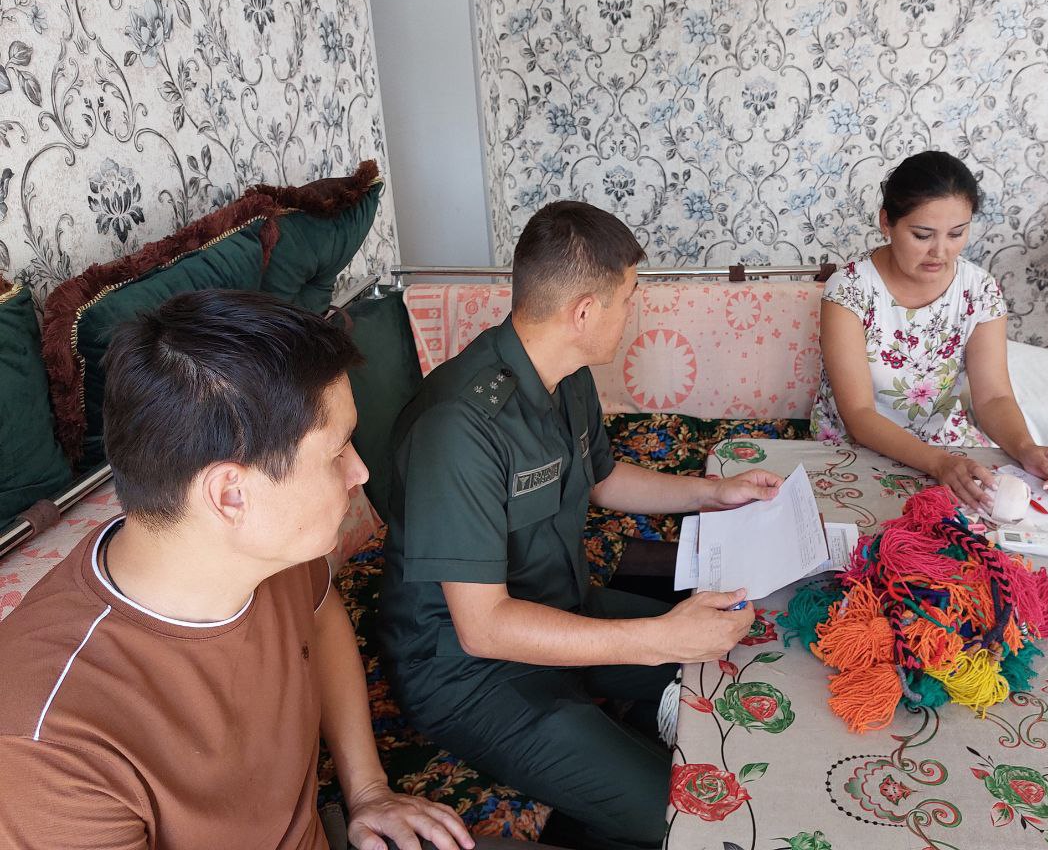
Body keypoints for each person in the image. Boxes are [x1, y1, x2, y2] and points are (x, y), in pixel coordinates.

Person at [0, 290, 473, 850]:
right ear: (231, 495)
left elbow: (320, 613)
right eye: (338, 452)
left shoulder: (271, 551)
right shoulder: (50, 749)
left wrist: (368, 789)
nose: (360, 472)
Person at [379, 200, 782, 849]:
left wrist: (714, 493)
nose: (632, 313)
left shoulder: (566, 377)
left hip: (561, 606)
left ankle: (647, 714)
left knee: (743, 658)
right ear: (585, 312)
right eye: (628, 300)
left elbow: (602, 479)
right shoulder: (458, 427)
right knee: (680, 811)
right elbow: (483, 627)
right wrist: (658, 639)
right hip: (469, 674)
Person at [811, 150, 1048, 511]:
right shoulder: (849, 290)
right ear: (886, 222)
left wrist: (1027, 448)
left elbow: (993, 398)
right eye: (922, 235)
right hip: (855, 448)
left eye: (956, 233)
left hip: (944, 446)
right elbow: (858, 415)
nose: (940, 251)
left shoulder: (979, 290)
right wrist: (938, 463)